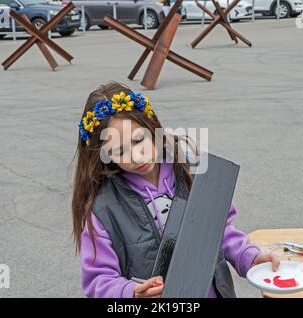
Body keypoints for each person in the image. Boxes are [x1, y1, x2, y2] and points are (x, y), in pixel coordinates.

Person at [72, 81, 280, 298]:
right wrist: (131, 292)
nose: (136, 155)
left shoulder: (192, 170)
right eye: (119, 151)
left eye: (139, 140)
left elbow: (220, 230)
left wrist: (250, 257)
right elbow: (98, 279)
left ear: (151, 126)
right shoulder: (102, 209)